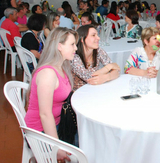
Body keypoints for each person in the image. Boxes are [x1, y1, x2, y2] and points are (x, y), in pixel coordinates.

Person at [25, 27, 78, 162]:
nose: (76, 48)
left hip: (56, 122)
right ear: (59, 46)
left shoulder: (61, 67)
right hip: (40, 131)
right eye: (72, 44)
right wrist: (57, 147)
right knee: (83, 147)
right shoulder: (48, 73)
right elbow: (45, 114)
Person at [71, 24, 120, 91]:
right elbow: (89, 77)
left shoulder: (98, 51)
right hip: (79, 93)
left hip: (97, 89)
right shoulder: (74, 56)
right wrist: (109, 66)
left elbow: (117, 71)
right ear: (82, 39)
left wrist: (107, 77)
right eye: (93, 35)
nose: (98, 38)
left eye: (97, 35)